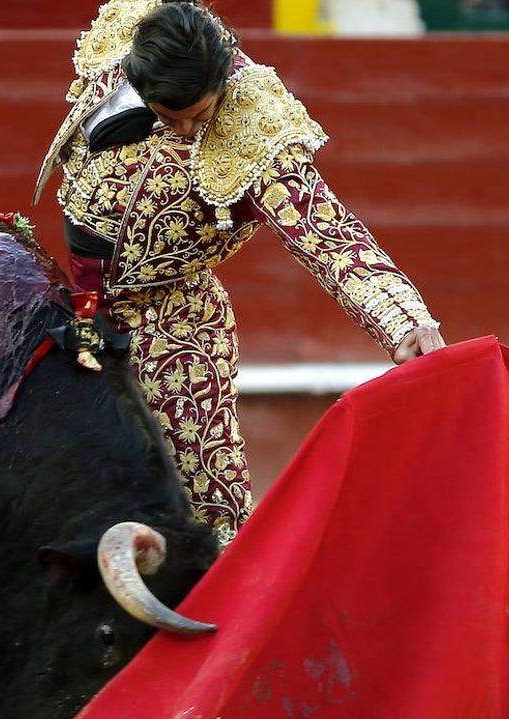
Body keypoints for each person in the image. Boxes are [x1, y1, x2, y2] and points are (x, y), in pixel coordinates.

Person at [35, 0, 446, 546]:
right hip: (76, 311)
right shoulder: (130, 45)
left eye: (199, 117)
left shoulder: (254, 130)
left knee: (211, 508)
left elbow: (327, 235)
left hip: (173, 326)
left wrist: (403, 320)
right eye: (166, 115)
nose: (182, 129)